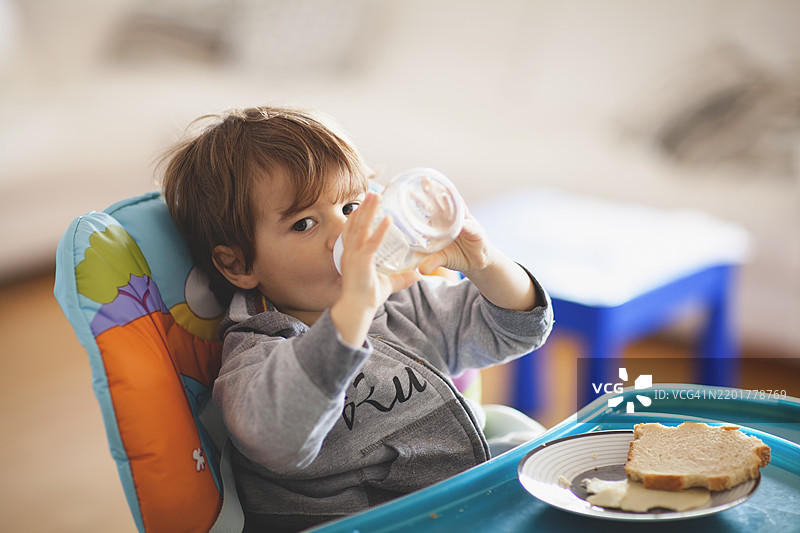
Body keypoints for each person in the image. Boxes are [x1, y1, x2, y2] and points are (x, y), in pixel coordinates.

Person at [161, 106, 553, 532]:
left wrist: (484, 262)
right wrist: (353, 312)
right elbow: (277, 437)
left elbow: (517, 330)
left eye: (351, 206)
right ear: (238, 265)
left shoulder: (406, 304)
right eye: (304, 223)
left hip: (460, 500)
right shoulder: (253, 356)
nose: (344, 232)